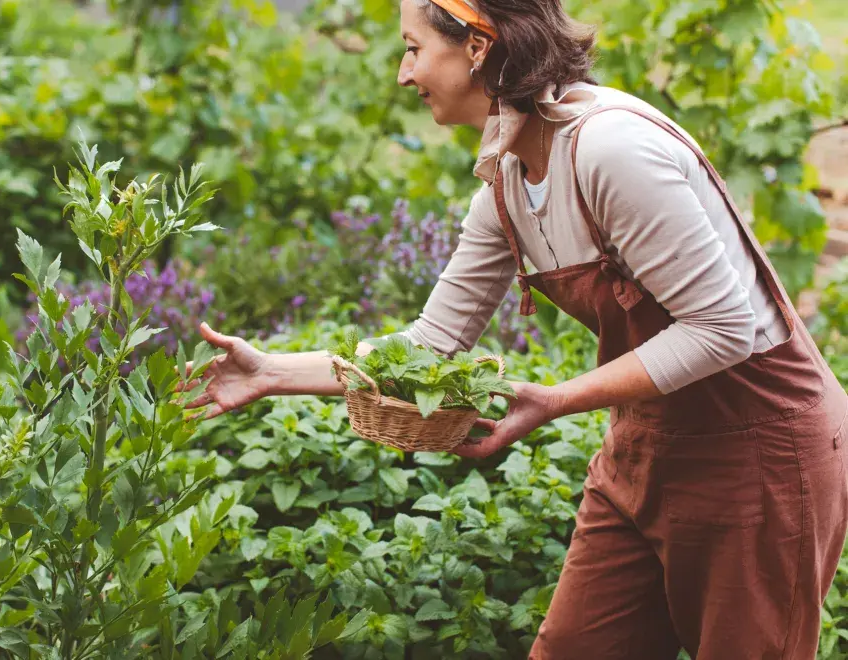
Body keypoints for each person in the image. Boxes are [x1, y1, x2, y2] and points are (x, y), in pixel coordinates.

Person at [178, 0, 848, 657]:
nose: (403, 75)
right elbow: (429, 346)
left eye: (413, 49)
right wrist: (271, 372)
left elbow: (724, 327)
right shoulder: (507, 181)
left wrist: (555, 399)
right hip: (644, 449)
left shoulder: (611, 149)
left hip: (758, 453)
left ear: (478, 46)